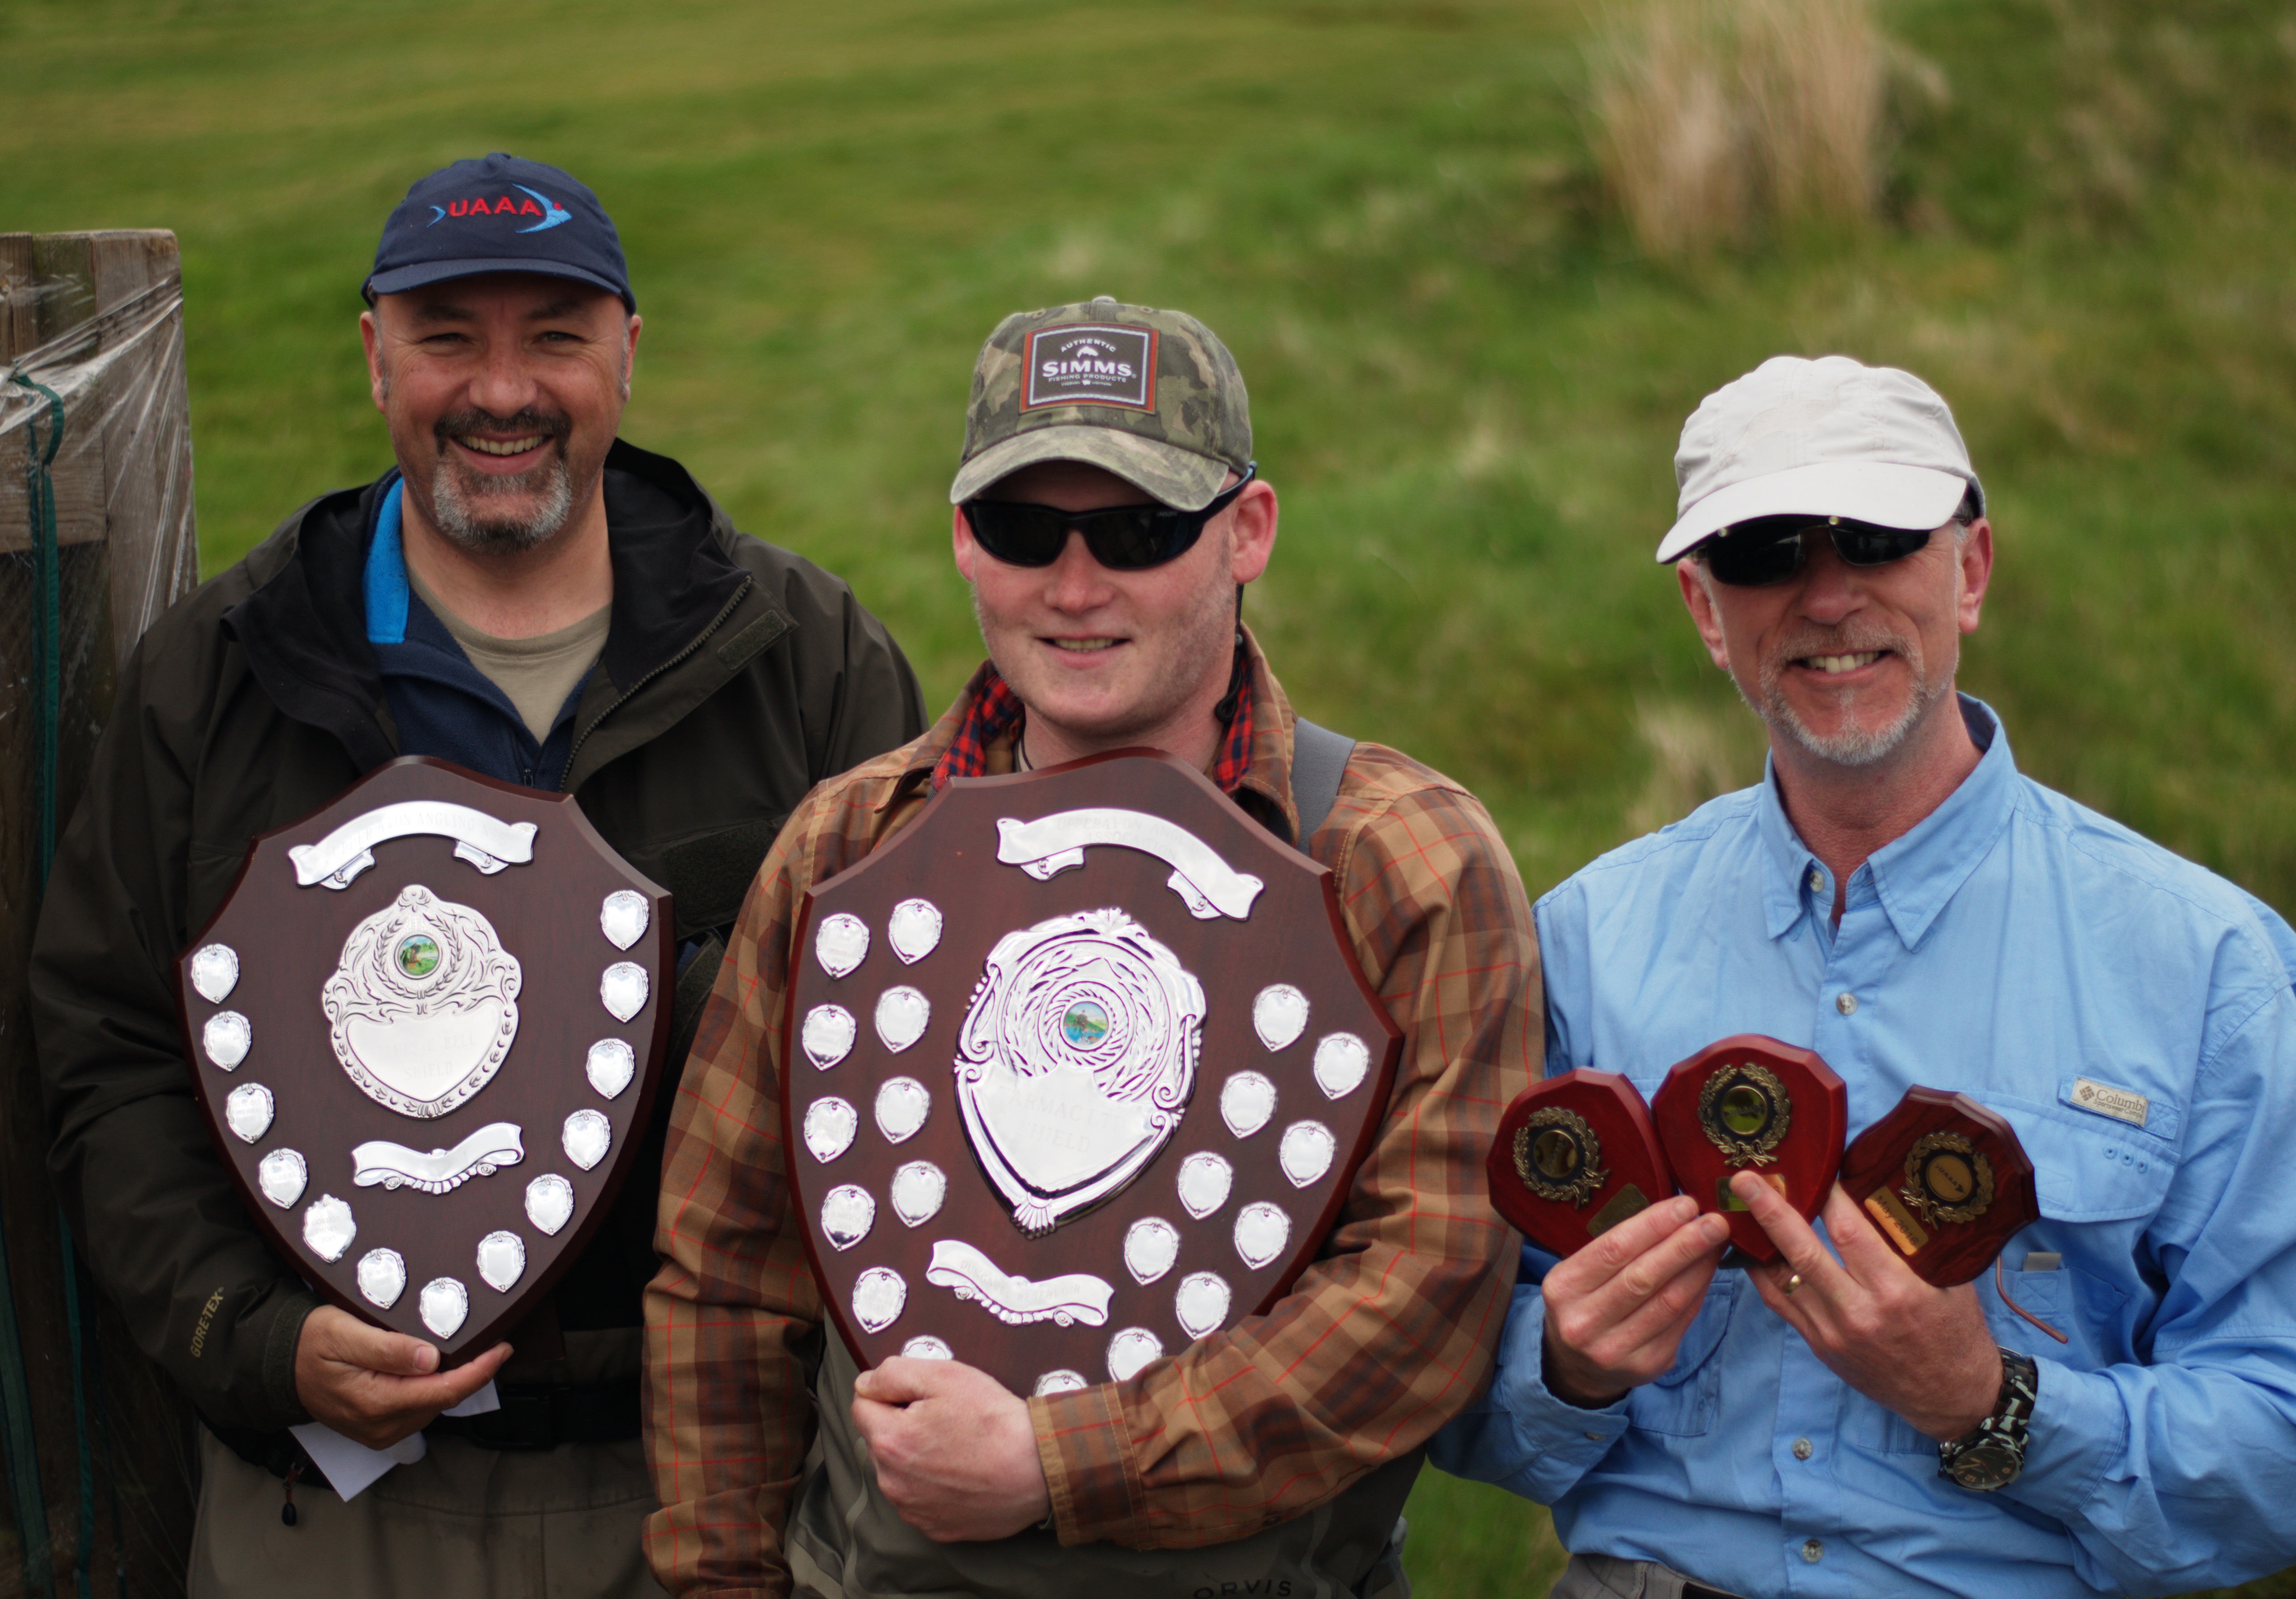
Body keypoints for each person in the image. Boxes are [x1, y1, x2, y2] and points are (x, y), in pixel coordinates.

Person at [30, 153, 923, 1597]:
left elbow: (900, 1063)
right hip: (325, 1513)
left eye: (554, 336)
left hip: (697, 1492)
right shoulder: (223, 675)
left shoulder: (804, 662)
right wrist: (256, 1340)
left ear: (628, 355)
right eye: (450, 335)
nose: (502, 389)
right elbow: (108, 1053)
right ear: (374, 353)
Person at [642, 297, 1539, 1597]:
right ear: (961, 538)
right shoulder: (847, 849)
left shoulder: (1402, 863)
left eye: (1137, 530)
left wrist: (1059, 1462)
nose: (1073, 587)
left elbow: (1425, 1295)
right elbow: (728, 1276)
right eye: (1022, 528)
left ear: (1248, 532)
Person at [1430, 354, 2296, 1597]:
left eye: (1880, 536)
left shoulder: (2210, 966)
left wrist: (1989, 1404)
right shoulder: (1576, 943)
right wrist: (1565, 1365)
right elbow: (1443, 1375)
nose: (1828, 597)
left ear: (1971, 570)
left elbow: (2276, 1431)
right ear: (1702, 609)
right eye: (1765, 550)